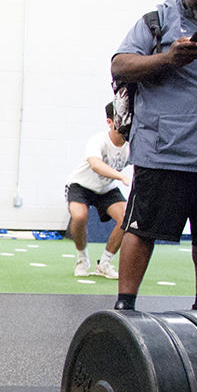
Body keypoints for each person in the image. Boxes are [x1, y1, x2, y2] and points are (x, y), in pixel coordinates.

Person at [110, 0, 197, 314]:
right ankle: (125, 307)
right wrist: (169, 58)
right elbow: (120, 65)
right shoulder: (157, 20)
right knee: (142, 231)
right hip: (163, 153)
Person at [65, 102, 131, 279]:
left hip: (107, 189)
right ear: (110, 122)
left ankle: (104, 263)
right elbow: (95, 164)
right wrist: (121, 177)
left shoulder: (131, 145)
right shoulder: (98, 140)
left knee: (126, 219)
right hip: (82, 185)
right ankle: (82, 259)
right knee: (79, 216)